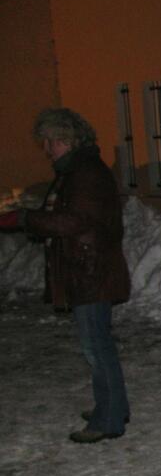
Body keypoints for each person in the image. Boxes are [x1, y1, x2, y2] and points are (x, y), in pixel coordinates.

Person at [0, 108, 131, 443]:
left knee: (96, 347)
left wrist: (25, 219)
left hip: (91, 271)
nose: (47, 149)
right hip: (87, 268)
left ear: (69, 139)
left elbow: (75, 221)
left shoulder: (85, 172)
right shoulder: (76, 170)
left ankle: (109, 419)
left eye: (52, 142)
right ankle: (112, 406)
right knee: (97, 344)